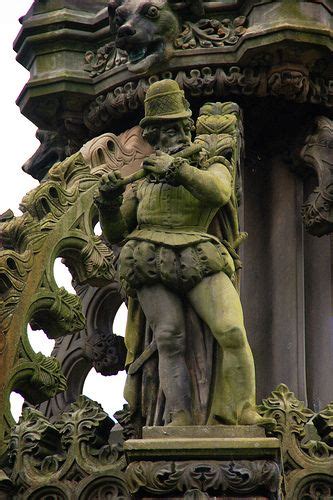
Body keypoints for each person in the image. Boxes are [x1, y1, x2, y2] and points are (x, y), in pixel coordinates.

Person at [95, 79, 268, 427]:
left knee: (232, 329)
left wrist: (178, 170)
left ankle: (241, 409)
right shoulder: (142, 183)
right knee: (169, 337)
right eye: (164, 130)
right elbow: (116, 233)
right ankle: (180, 416)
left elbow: (219, 191)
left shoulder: (208, 164)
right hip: (148, 259)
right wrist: (110, 202)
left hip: (199, 254)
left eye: (178, 127)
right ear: (153, 137)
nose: (174, 135)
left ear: (189, 128)